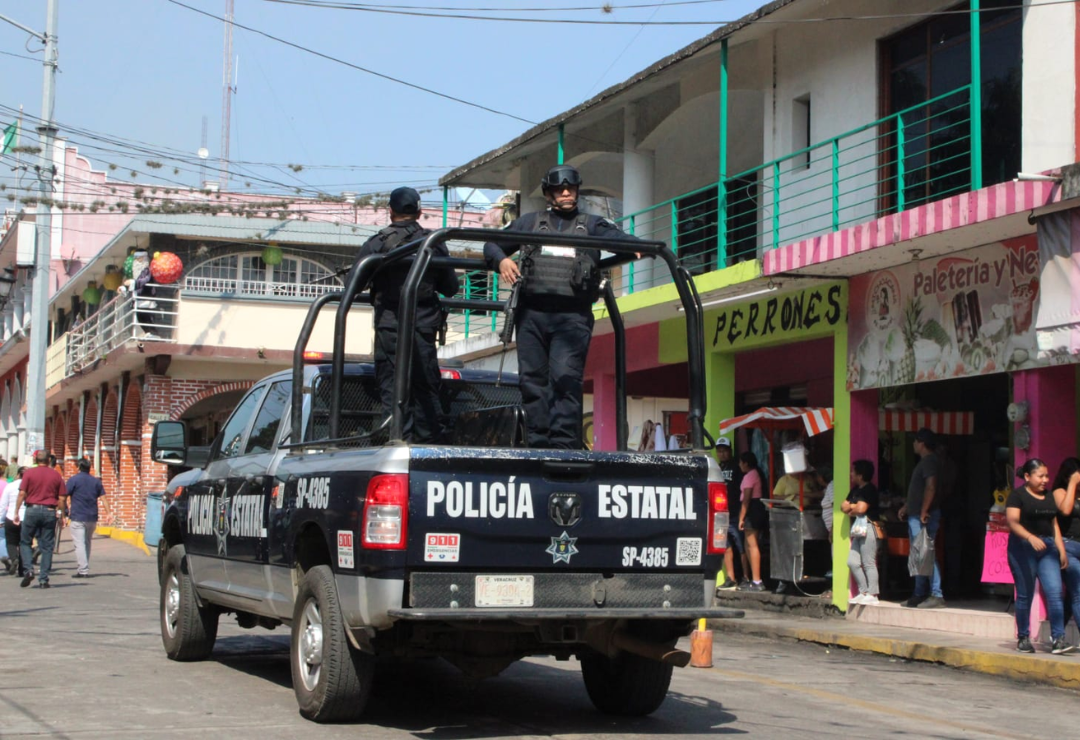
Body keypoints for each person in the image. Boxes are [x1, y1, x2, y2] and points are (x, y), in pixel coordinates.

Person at [484, 163, 639, 449]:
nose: (566, 192)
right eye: (559, 188)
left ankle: (564, 447)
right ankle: (538, 446)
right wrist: (502, 260)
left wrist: (637, 247)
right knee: (532, 382)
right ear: (548, 193)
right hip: (532, 315)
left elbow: (621, 240)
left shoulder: (591, 224)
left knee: (565, 379)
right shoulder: (529, 222)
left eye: (571, 187)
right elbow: (491, 245)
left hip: (572, 316)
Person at [353, 186, 459, 443]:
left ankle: (398, 445)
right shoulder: (433, 243)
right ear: (419, 212)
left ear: (390, 212)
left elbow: (352, 285)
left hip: (390, 328)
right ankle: (427, 449)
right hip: (423, 328)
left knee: (393, 390)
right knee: (425, 389)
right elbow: (451, 287)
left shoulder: (377, 243)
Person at [1006, 458, 1073, 654]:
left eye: (1047, 475)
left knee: (1054, 592)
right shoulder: (1017, 496)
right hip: (1022, 548)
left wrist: (1061, 549)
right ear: (1027, 476)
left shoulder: (1049, 496)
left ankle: (1058, 639)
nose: (1045, 479)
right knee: (1025, 594)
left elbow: (1054, 525)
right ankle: (1024, 637)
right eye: (1040, 475)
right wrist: (1030, 537)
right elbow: (1012, 521)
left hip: (1047, 548)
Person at [899, 427, 945, 608]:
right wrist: (907, 506)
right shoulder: (927, 462)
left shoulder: (929, 462)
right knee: (919, 554)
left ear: (922, 444)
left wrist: (924, 511)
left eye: (915, 441)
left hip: (923, 516)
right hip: (917, 514)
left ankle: (936, 593)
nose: (913, 444)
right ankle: (919, 594)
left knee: (926, 553)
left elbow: (931, 487)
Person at [13, 449, 67, 589]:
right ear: (49, 460)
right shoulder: (56, 475)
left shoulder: (29, 473)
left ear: (36, 460)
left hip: (32, 510)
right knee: (47, 546)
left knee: (25, 542)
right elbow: (61, 498)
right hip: (50, 511)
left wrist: (16, 511)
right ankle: (43, 579)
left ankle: (29, 569)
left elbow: (22, 494)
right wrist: (61, 514)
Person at [844, 459, 881, 606]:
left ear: (860, 475)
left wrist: (853, 508)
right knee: (852, 561)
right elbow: (843, 507)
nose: (851, 474)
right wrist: (855, 506)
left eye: (853, 472)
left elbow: (861, 509)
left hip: (869, 528)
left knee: (868, 562)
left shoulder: (869, 490)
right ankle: (863, 591)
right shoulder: (855, 490)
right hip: (858, 530)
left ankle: (872, 594)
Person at [1051, 457, 1080, 641]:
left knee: (1071, 596)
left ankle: (1057, 636)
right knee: (1078, 591)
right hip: (1068, 547)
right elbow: (1066, 510)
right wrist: (1072, 484)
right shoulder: (1059, 492)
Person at [66, 457, 108, 578]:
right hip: (92, 517)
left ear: (78, 467)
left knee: (79, 544)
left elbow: (64, 495)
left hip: (78, 516)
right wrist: (109, 513)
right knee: (87, 542)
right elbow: (104, 498)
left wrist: (63, 512)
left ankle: (83, 570)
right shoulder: (96, 482)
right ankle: (84, 566)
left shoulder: (73, 480)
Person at [715, 438, 747, 591]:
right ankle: (731, 578)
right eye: (719, 451)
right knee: (725, 546)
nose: (722, 453)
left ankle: (746, 577)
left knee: (742, 547)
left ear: (730, 451)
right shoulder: (717, 467)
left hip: (735, 512)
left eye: (724, 450)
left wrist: (742, 512)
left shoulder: (737, 467)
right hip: (721, 513)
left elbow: (744, 490)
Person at [736, 451, 768, 592]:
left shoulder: (751, 475)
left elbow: (747, 499)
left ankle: (757, 580)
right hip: (755, 509)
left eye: (741, 462)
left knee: (752, 544)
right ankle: (753, 579)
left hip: (753, 510)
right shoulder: (755, 474)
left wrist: (741, 517)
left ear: (746, 463)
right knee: (748, 544)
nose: (739, 465)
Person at [0, 467, 25, 576]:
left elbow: (3, 504)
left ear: (18, 475)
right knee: (24, 543)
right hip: (26, 518)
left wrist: (0, 519)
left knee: (11, 542)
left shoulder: (10, 486)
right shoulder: (31, 486)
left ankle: (14, 557)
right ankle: (21, 569)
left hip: (11, 516)